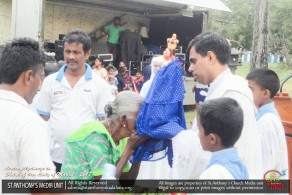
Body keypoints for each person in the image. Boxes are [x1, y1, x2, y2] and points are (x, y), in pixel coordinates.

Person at [187, 32, 263, 179]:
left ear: (210, 57)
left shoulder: (232, 92)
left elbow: (239, 150)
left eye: (193, 61)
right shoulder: (220, 88)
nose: (190, 68)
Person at [37, 29, 112, 172]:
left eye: (76, 52)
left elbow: (104, 122)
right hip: (54, 157)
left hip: (85, 160)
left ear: (87, 54)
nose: (70, 56)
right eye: (67, 51)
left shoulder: (100, 84)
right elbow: (43, 118)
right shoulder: (50, 81)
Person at [0, 38, 56, 190]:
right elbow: (43, 189)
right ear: (29, 77)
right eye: (41, 76)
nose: (40, 84)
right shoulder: (29, 122)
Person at [61, 91, 145, 180]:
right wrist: (129, 149)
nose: (143, 123)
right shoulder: (96, 136)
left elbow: (126, 184)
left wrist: (139, 152)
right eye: (140, 118)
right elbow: (104, 187)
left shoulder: (124, 138)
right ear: (123, 119)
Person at [246, 69, 288, 176]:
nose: (246, 93)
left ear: (265, 93)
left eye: (250, 89)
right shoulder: (263, 117)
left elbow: (264, 168)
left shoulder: (266, 123)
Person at [197, 98, 249, 179]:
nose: (198, 135)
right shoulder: (242, 167)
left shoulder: (212, 175)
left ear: (212, 139)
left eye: (199, 130)